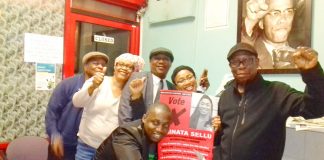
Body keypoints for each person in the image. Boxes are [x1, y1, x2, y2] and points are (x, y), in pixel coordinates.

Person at [216, 42, 324, 160]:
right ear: (230, 66)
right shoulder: (225, 96)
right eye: (235, 62)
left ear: (257, 62)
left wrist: (312, 72)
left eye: (246, 60)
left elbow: (315, 109)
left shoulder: (278, 92)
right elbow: (224, 136)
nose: (241, 66)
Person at [72, 53, 141, 160]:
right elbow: (77, 102)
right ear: (115, 66)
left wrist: (137, 96)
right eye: (120, 64)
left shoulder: (132, 90)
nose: (124, 68)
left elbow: (136, 120)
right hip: (87, 146)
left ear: (134, 71)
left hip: (111, 149)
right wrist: (93, 86)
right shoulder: (99, 81)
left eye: (129, 66)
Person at [45, 51, 109, 159]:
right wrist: (54, 135)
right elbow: (52, 113)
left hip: (89, 146)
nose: (100, 66)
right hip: (65, 145)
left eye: (103, 64)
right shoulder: (67, 85)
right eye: (95, 63)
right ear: (85, 67)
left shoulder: (107, 88)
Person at [94, 103, 172, 160]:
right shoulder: (126, 134)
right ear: (144, 118)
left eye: (165, 126)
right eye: (155, 123)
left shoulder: (154, 136)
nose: (159, 129)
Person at [118, 47, 175, 125]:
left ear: (171, 64)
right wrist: (127, 132)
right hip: (136, 133)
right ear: (150, 62)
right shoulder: (138, 78)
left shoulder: (171, 88)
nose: (161, 61)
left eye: (165, 59)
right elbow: (125, 109)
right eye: (157, 58)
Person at [242, 0, 299, 69]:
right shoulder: (251, 54)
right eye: (275, 13)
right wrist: (250, 22)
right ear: (261, 22)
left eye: (289, 11)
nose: (283, 20)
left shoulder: (300, 57)